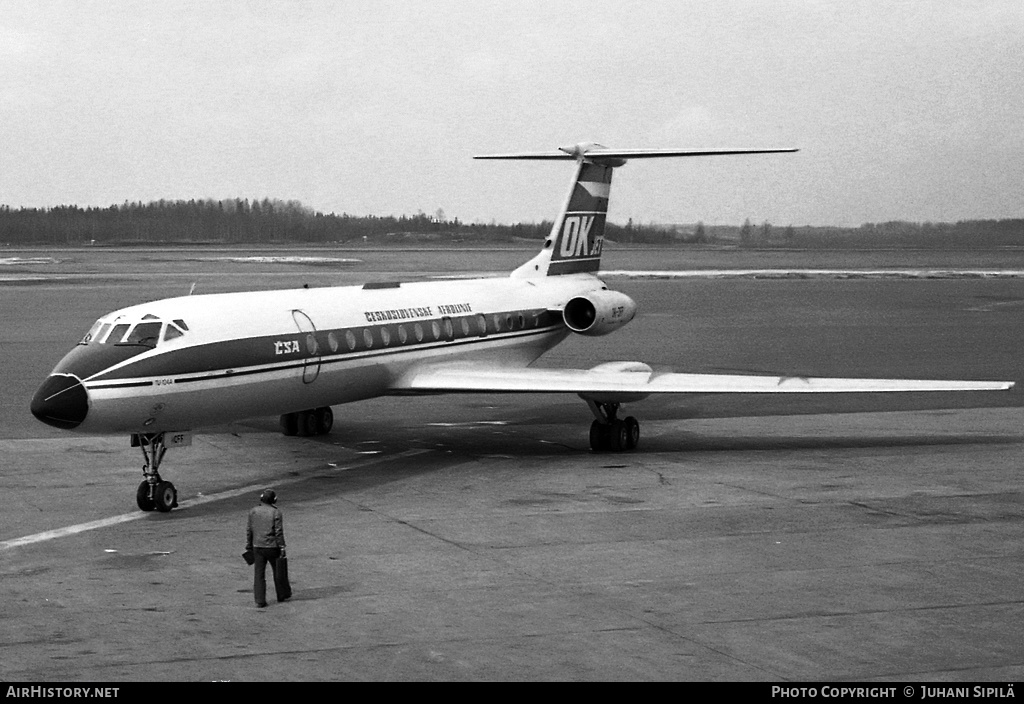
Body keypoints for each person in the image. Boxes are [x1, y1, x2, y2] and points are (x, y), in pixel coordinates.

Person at [245, 488, 288, 608]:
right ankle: (281, 594)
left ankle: (260, 600)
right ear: (273, 500)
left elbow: (249, 530)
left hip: (257, 546)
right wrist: (282, 546)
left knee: (259, 574)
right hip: (272, 546)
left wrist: (249, 545)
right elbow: (278, 532)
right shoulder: (276, 512)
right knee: (278, 571)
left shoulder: (253, 511)